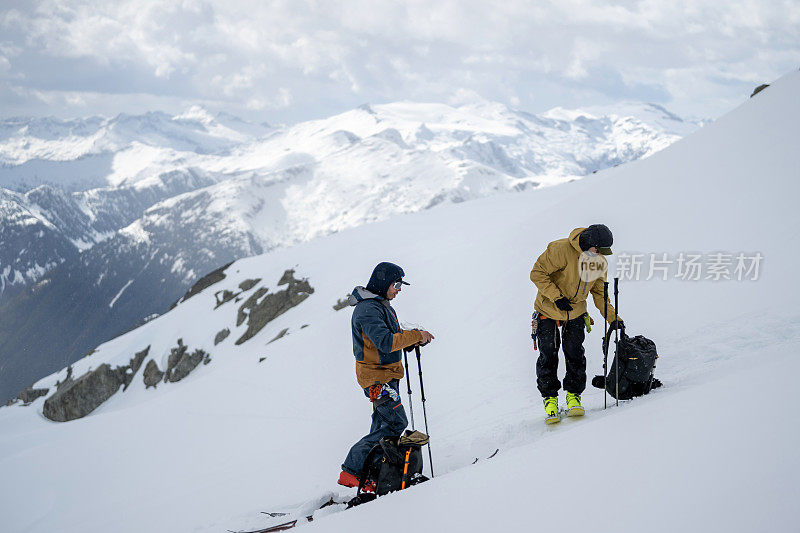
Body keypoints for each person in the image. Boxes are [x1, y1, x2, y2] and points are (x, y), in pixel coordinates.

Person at [338, 262, 434, 488]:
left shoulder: (381, 304)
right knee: (395, 422)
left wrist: (411, 339)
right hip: (376, 378)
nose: (399, 289)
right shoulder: (368, 309)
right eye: (396, 284)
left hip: (385, 375)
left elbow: (389, 336)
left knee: (382, 424)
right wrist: (414, 336)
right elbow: (385, 342)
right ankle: (351, 470)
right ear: (383, 283)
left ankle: (370, 475)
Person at [530, 224, 623, 423]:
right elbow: (537, 273)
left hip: (576, 312)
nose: (600, 255)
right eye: (599, 250)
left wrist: (614, 319)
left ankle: (573, 397)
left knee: (575, 355)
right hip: (548, 309)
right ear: (590, 242)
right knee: (548, 355)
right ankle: (550, 400)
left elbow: (599, 295)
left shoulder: (598, 262)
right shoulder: (560, 249)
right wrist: (556, 297)